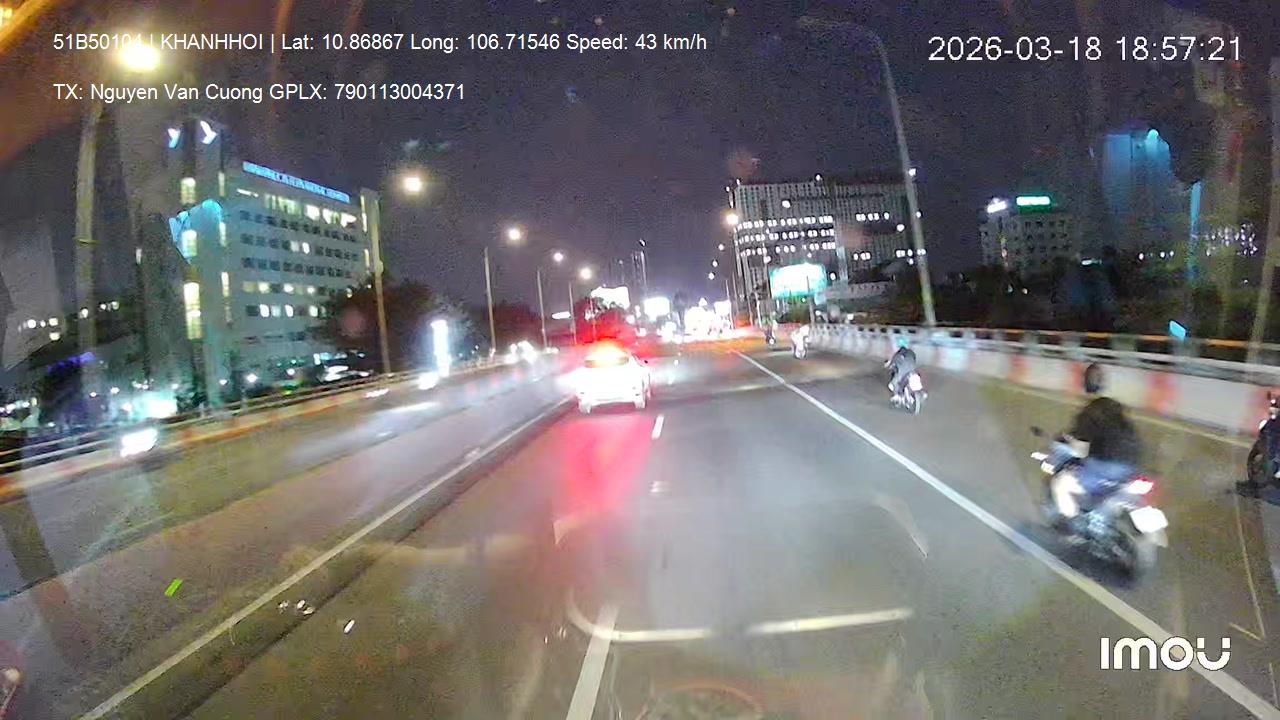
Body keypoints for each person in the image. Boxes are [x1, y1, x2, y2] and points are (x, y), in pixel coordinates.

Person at [1050, 362, 1142, 525]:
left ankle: (1073, 522)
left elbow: (1080, 450)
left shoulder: (1088, 412)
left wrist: (1071, 442)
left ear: (1084, 383)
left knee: (1060, 484)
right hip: (1130, 466)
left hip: (1104, 467)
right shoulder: (1116, 407)